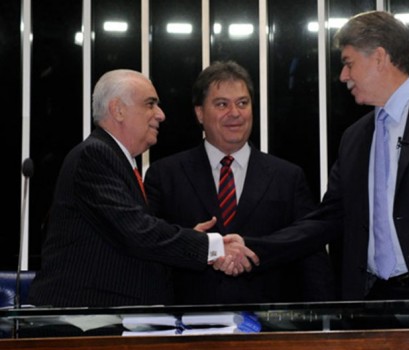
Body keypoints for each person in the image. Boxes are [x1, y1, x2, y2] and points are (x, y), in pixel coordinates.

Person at [241, 10, 409, 300]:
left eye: (348, 63)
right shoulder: (354, 138)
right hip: (374, 301)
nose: (342, 76)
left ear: (379, 57)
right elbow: (326, 219)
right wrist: (254, 247)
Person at [27, 69, 258, 307]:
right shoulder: (95, 155)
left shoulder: (119, 161)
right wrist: (212, 246)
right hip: (83, 323)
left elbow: (135, 237)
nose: (160, 115)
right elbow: (138, 233)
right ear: (118, 110)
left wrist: (193, 241)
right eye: (150, 104)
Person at [144, 60, 336, 304]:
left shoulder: (287, 177)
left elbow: (310, 256)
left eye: (242, 103)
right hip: (189, 327)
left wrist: (324, 330)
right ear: (200, 113)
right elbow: (151, 251)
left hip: (267, 329)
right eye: (222, 104)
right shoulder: (165, 175)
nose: (234, 113)